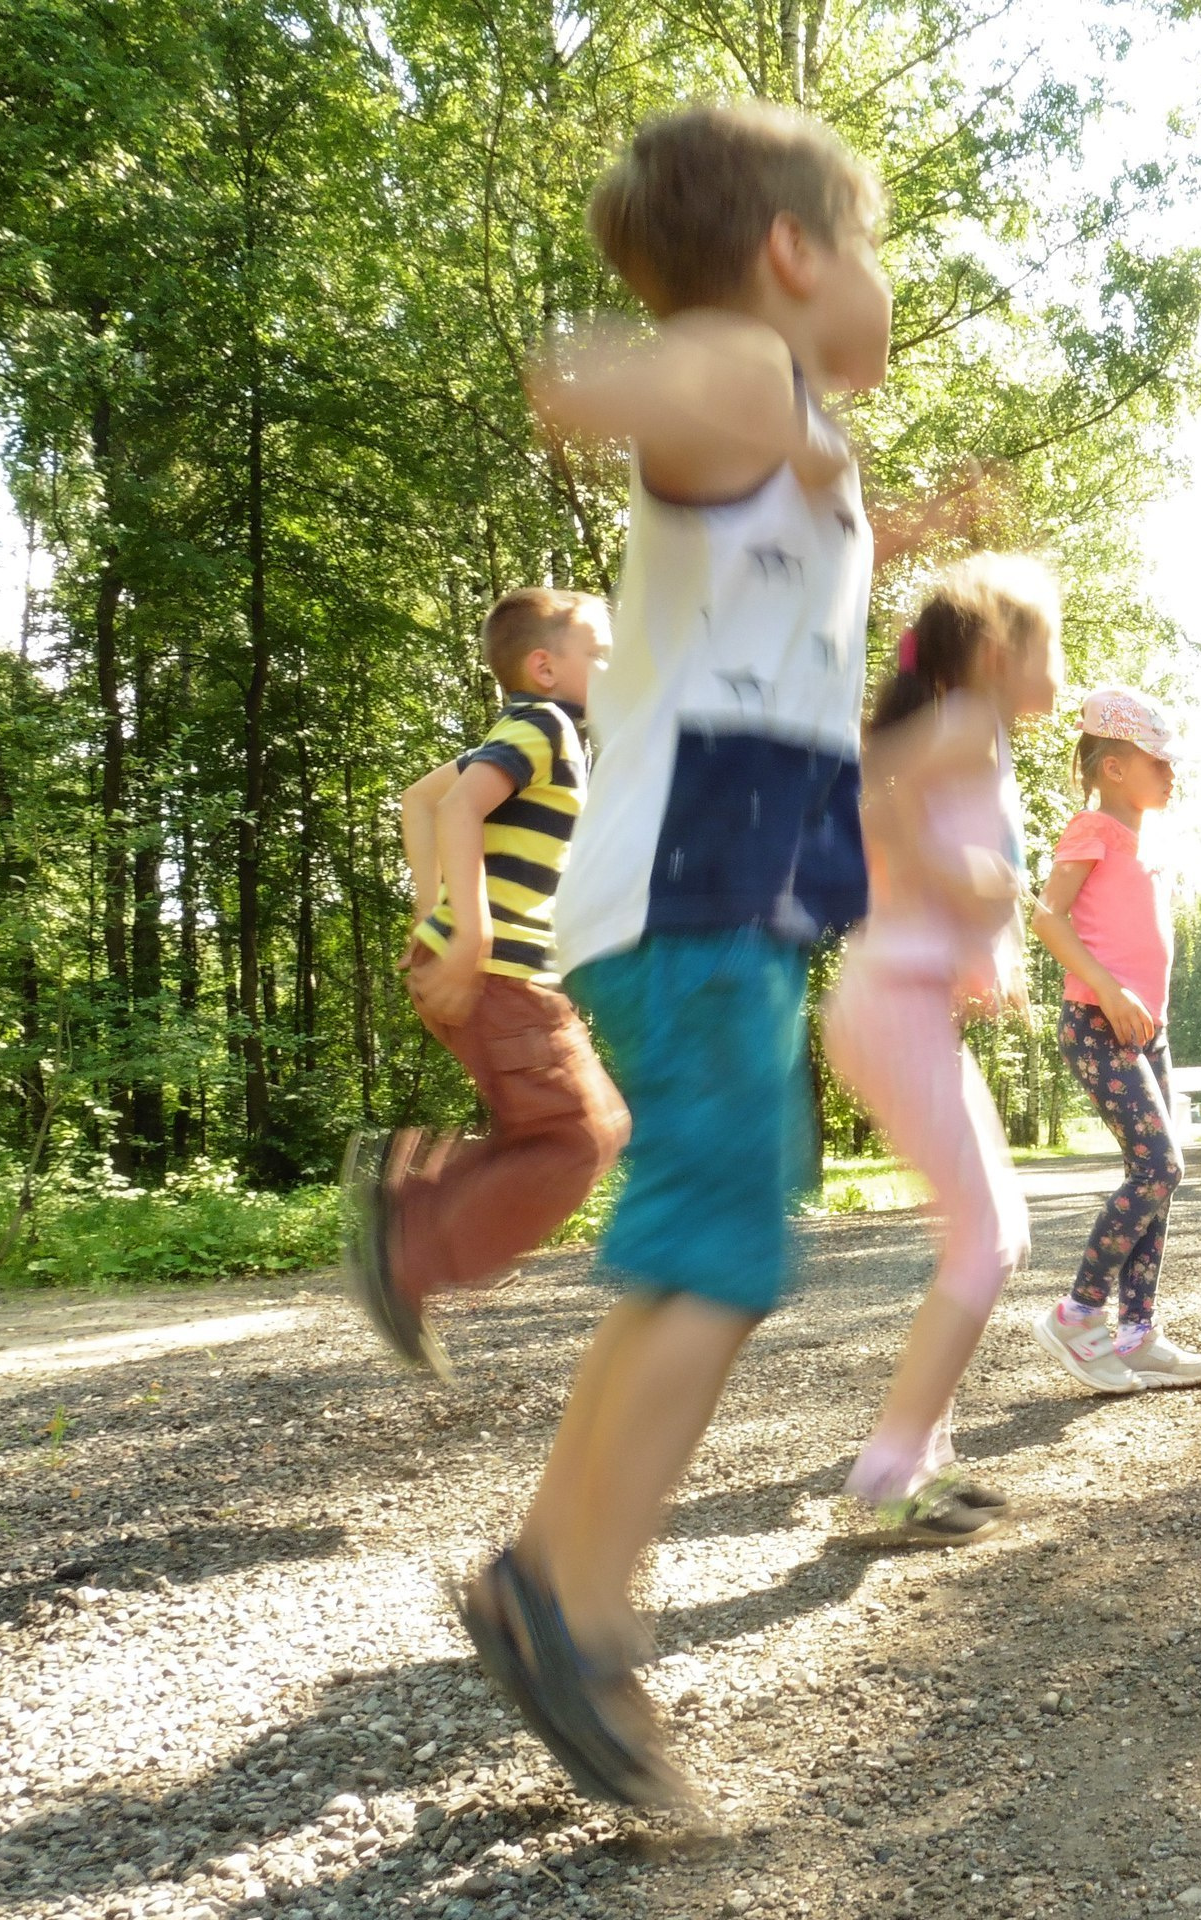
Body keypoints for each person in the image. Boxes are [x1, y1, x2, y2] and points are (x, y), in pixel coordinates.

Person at [439, 99, 979, 1810]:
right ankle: (575, 1612)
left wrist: (861, 516)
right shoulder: (746, 375)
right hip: (692, 890)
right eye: (869, 249)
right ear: (793, 256)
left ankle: (547, 1572)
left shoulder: (793, 428)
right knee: (724, 1248)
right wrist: (673, 383)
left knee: (697, 1249)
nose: (884, 286)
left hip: (707, 892)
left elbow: (756, 602)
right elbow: (587, 383)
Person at [821, 554, 1060, 1544]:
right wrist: (965, 883)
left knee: (980, 1230)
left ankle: (922, 1462)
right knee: (988, 1236)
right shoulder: (965, 723)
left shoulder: (981, 735)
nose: (1061, 667)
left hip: (905, 1002)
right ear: (1000, 653)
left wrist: (985, 953)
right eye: (1054, 643)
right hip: (889, 1002)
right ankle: (886, 1475)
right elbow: (867, 796)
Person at [341, 589, 628, 1379]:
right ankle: (406, 1241)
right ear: (545, 664)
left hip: (493, 972)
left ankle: (406, 1199)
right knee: (578, 1138)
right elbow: (459, 806)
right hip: (500, 974)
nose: (615, 665)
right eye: (601, 651)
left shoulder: (533, 733)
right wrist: (466, 933)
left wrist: (433, 912)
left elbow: (421, 799)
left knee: (574, 1132)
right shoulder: (546, 726)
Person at [1028, 689, 1201, 1393]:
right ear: (1113, 766)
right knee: (1159, 1168)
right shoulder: (1091, 829)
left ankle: (1138, 1332)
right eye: (1157, 761)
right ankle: (1078, 1314)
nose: (1172, 773)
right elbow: (1048, 918)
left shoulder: (1141, 844)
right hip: (1098, 1024)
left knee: (1164, 1181)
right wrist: (1109, 991)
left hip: (1147, 1034)